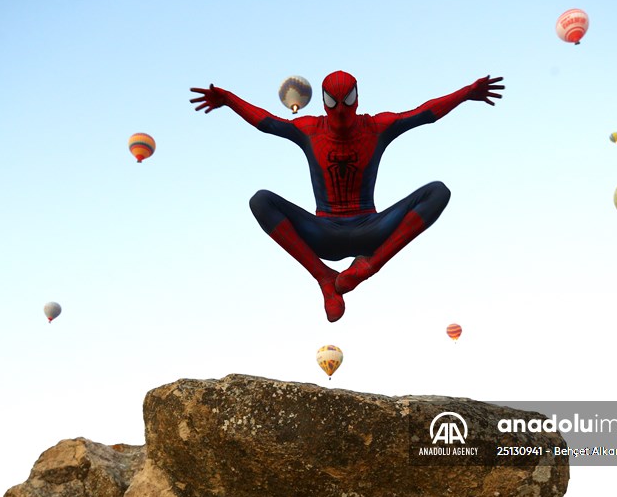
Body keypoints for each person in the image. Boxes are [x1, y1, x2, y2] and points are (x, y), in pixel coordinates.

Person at [190, 71, 504, 322]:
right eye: (333, 101)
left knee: (438, 191)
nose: (341, 108)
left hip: (370, 229)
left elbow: (424, 113)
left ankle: (369, 266)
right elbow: (267, 123)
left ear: (356, 99)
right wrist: (229, 99)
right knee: (261, 200)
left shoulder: (376, 127)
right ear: (325, 102)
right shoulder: (310, 129)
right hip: (326, 232)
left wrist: (465, 94)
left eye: (347, 99)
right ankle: (325, 278)